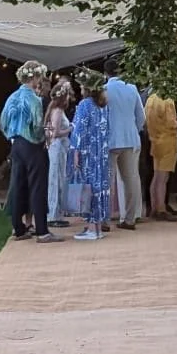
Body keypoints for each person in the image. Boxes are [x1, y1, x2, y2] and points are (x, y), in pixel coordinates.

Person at [0, 60, 60, 242]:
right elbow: (37, 125)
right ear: (34, 78)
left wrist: (12, 137)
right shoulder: (34, 99)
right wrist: (43, 139)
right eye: (39, 77)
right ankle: (42, 231)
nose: (40, 81)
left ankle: (19, 228)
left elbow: (2, 122)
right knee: (38, 185)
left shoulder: (12, 97)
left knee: (18, 185)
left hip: (16, 145)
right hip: (32, 145)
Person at [68, 78, 113, 240]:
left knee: (88, 188)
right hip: (101, 153)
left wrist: (75, 152)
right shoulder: (104, 106)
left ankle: (92, 228)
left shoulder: (84, 105)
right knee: (99, 188)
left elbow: (78, 131)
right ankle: (97, 227)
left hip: (88, 153)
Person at [102, 70, 146, 230]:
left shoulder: (104, 89)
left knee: (107, 181)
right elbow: (141, 116)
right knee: (131, 179)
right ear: (121, 71)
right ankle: (130, 219)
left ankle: (104, 220)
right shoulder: (132, 88)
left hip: (110, 140)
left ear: (106, 73)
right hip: (130, 138)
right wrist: (135, 129)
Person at [146, 83, 177, 220]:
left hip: (154, 141)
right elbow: (171, 122)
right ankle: (161, 209)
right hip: (168, 141)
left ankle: (154, 207)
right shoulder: (167, 100)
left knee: (156, 176)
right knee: (163, 178)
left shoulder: (150, 99)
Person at [45, 81, 75, 228]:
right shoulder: (57, 112)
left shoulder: (58, 111)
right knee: (56, 180)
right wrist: (70, 129)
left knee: (60, 179)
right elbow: (55, 133)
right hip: (57, 149)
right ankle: (53, 215)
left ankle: (57, 213)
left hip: (61, 149)